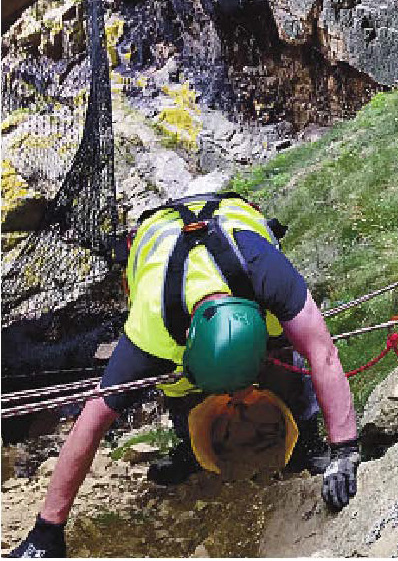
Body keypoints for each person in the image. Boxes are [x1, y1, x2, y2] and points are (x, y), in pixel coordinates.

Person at [8, 193, 361, 558]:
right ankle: (189, 447)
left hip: (235, 240)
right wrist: (47, 531)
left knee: (287, 356)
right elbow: (93, 420)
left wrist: (345, 450)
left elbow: (324, 354)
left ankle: (307, 440)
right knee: (176, 383)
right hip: (163, 253)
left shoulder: (268, 274)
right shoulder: (151, 329)